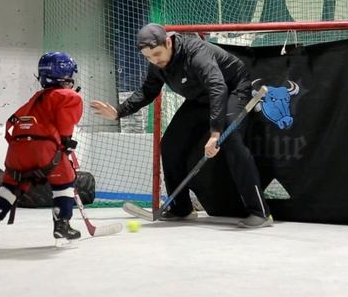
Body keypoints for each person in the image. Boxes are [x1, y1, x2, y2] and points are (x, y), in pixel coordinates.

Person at [90, 23, 273, 228]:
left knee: (231, 140)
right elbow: (148, 91)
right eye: (148, 57)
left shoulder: (197, 54)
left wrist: (215, 133)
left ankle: (259, 212)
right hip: (200, 98)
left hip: (233, 89)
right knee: (169, 145)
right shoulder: (157, 64)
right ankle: (181, 209)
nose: (155, 61)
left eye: (157, 54)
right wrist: (119, 112)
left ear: (168, 42)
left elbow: (217, 88)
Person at [0, 52, 84, 246]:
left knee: (10, 186)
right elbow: (65, 124)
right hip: (44, 149)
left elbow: (13, 125)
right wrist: (66, 144)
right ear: (65, 75)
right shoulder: (67, 96)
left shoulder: (36, 98)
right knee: (64, 183)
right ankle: (62, 226)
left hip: (17, 150)